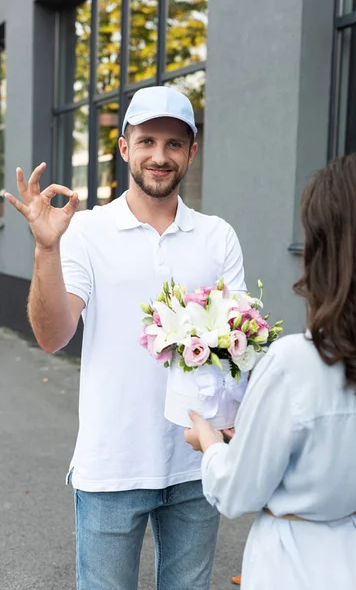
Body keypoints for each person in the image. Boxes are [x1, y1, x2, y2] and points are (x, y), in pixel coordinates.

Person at [5, 86, 246, 590]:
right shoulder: (87, 230)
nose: (160, 156)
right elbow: (52, 337)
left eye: (175, 144)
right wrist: (47, 250)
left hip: (195, 464)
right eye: (148, 141)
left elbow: (235, 344)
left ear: (191, 152)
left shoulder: (217, 236)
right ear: (124, 147)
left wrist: (234, 426)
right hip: (111, 467)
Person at [185, 152, 356, 589]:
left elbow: (237, 490)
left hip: (300, 566)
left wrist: (209, 444)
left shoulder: (294, 365)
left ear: (326, 249)